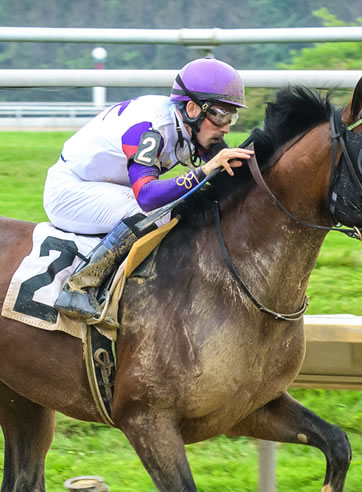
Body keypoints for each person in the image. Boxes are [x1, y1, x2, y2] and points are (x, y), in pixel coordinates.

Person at [44, 56, 255, 327]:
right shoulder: (152, 129)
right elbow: (147, 196)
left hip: (103, 186)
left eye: (232, 115)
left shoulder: (190, 125)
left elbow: (223, 162)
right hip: (71, 191)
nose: (226, 126)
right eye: (221, 114)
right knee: (156, 212)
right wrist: (204, 170)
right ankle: (79, 286)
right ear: (192, 108)